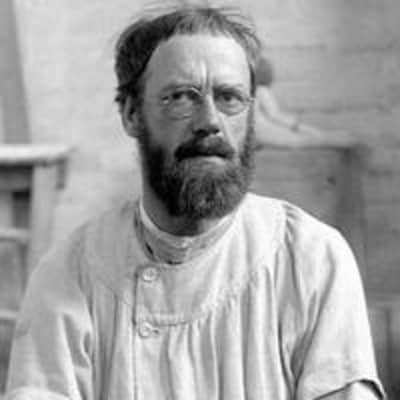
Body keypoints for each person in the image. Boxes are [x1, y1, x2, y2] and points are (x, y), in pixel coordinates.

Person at [5, 5, 385, 400]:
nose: (210, 121)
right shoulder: (70, 273)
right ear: (132, 114)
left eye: (229, 97)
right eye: (181, 97)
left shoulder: (311, 258)